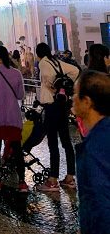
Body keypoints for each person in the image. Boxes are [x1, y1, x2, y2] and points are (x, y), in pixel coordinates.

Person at [35, 42, 80, 192]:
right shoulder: (57, 61)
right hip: (62, 105)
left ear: (38, 54)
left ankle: (53, 179)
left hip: (51, 106)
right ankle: (70, 177)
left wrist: (52, 87)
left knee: (53, 142)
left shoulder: (43, 63)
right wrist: (66, 87)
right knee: (66, 141)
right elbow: (75, 70)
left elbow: (47, 77)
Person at [73, 70, 110, 234]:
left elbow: (99, 201)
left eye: (75, 94)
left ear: (87, 102)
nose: (72, 98)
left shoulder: (94, 149)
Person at [0, 46, 28, 192]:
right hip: (12, 116)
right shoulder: (16, 73)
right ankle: (22, 182)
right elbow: (20, 95)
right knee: (17, 149)